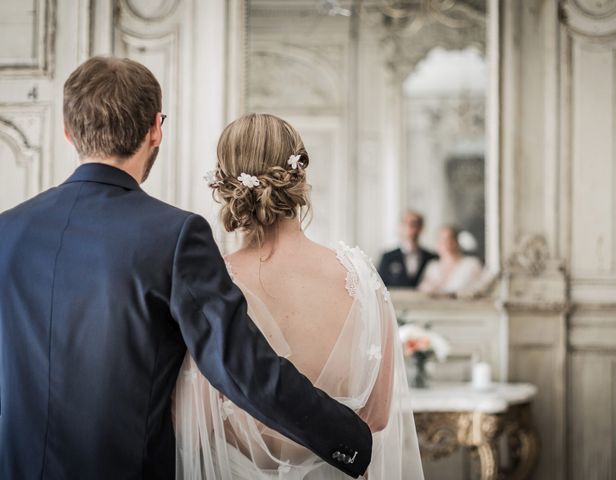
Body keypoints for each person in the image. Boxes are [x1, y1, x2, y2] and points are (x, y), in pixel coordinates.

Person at [0, 57, 372, 479]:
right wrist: (349, 439)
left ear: (68, 132)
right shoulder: (174, 235)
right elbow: (241, 367)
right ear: (156, 128)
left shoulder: (6, 232)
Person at [173, 113, 424, 479]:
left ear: (224, 185)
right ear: (300, 176)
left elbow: (194, 421)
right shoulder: (361, 277)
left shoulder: (210, 287)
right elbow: (380, 414)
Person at [417, 225, 483, 295]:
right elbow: (422, 291)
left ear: (457, 242)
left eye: (450, 239)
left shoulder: (471, 264)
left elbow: (479, 290)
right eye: (441, 240)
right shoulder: (433, 267)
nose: (446, 244)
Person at [378, 211, 438, 288]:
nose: (409, 227)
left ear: (421, 228)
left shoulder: (431, 258)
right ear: (400, 227)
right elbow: (380, 286)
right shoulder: (387, 257)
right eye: (406, 223)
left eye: (414, 224)